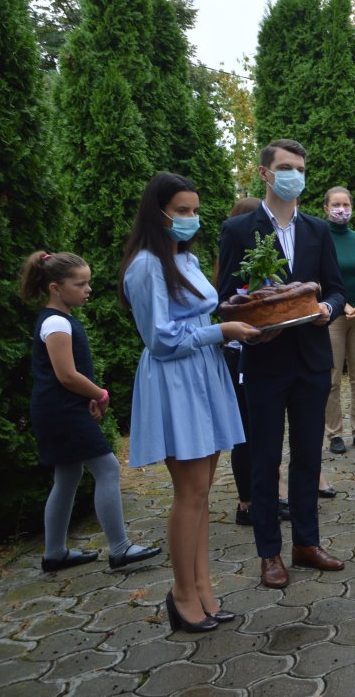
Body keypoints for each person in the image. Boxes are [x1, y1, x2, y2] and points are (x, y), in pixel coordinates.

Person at [119, 172, 257, 632]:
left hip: (204, 373)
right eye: (181, 211)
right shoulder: (146, 266)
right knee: (190, 492)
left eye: (195, 211)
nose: (190, 219)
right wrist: (222, 331)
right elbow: (160, 339)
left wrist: (242, 310)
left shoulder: (187, 259)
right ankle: (181, 595)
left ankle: (203, 590)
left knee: (202, 492)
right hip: (176, 379)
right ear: (157, 213)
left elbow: (205, 310)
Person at [217, 140, 347, 590]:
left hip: (312, 359)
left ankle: (306, 544)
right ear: (265, 174)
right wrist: (250, 319)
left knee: (309, 455)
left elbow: (335, 289)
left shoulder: (317, 230)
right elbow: (226, 299)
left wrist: (329, 308)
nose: (295, 175)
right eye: (286, 167)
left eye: (301, 168)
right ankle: (269, 553)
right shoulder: (238, 230)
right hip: (266, 360)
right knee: (265, 458)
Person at [20, 252, 162, 574]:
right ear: (55, 287)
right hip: (61, 411)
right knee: (108, 469)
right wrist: (100, 393)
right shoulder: (56, 322)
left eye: (89, 283)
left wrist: (89, 396)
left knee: (68, 476)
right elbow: (66, 375)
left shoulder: (59, 319)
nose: (88, 289)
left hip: (59, 408)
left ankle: (54, 553)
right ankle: (120, 548)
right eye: (80, 283)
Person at [218, 196, 264, 527]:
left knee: (261, 430)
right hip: (239, 354)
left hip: (263, 352)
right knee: (246, 432)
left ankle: (266, 494)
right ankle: (246, 503)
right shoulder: (236, 263)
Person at [322, 186, 355, 456]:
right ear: (326, 208)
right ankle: (334, 434)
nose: (341, 209)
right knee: (332, 378)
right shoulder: (321, 237)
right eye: (336, 204)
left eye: (346, 204)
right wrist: (341, 305)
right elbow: (320, 278)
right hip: (333, 315)